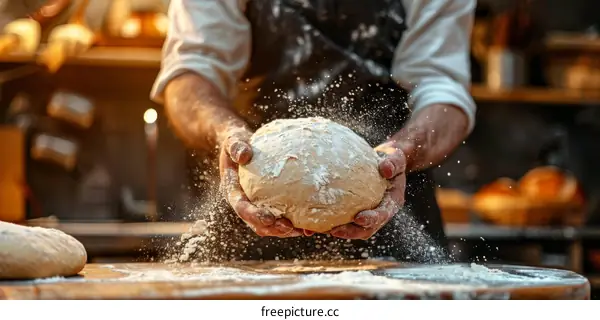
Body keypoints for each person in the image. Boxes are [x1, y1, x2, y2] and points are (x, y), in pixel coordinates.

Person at [150, 0, 476, 263]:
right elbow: (190, 75)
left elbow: (443, 88)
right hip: (254, 206)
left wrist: (403, 151)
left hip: (390, 204)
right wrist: (227, 133)